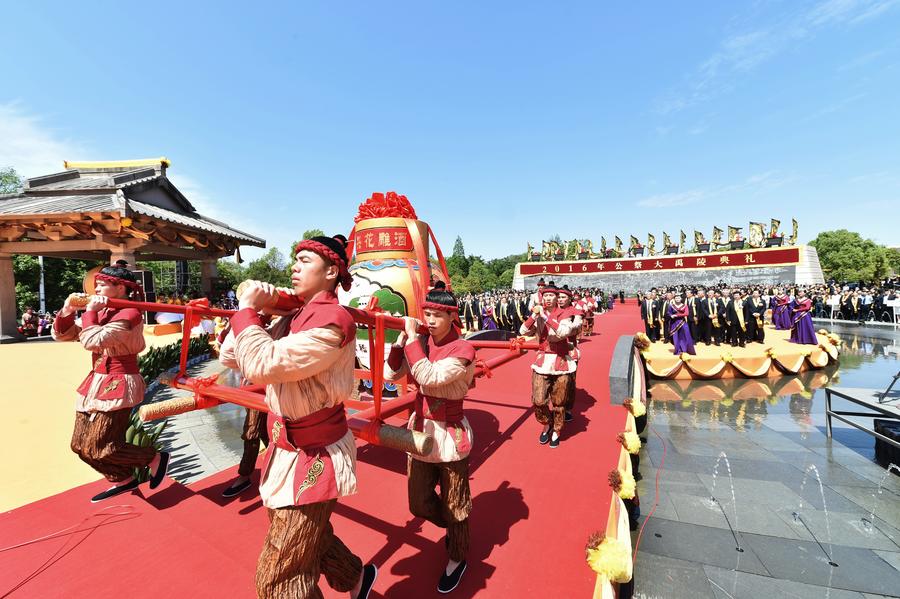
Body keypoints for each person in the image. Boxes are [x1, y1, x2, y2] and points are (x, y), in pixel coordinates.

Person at [220, 235, 377, 599]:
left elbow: (262, 363)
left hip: (316, 452)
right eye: (296, 260)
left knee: (279, 579)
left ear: (332, 271)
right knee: (309, 536)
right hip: (285, 449)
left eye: (305, 260)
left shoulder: (332, 321)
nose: (294, 267)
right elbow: (233, 356)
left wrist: (245, 308)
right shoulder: (295, 317)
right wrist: (256, 313)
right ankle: (356, 577)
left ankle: (353, 579)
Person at [384, 288, 476, 593]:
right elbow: (389, 375)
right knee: (418, 503)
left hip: (450, 433)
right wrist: (400, 343)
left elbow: (430, 377)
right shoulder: (420, 342)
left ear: (453, 316)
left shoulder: (463, 349)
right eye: (428, 314)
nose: (431, 320)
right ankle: (454, 528)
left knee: (456, 503)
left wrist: (412, 341)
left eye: (438, 314)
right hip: (421, 430)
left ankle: (457, 556)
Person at [53, 265, 169, 503]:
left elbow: (93, 340)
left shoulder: (130, 313)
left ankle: (154, 458)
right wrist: (67, 310)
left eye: (102, 284)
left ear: (121, 287)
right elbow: (66, 335)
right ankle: (122, 479)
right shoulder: (103, 311)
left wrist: (90, 313)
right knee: (79, 445)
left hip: (120, 381)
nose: (96, 288)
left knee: (102, 446)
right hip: (95, 380)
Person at [519, 286, 579, 448]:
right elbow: (522, 330)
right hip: (542, 361)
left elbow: (562, 333)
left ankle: (556, 431)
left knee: (559, 401)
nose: (547, 298)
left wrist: (545, 317)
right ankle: (547, 422)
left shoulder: (565, 314)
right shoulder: (539, 313)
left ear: (557, 297)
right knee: (538, 399)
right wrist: (534, 315)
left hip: (561, 361)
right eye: (544, 295)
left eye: (551, 295)